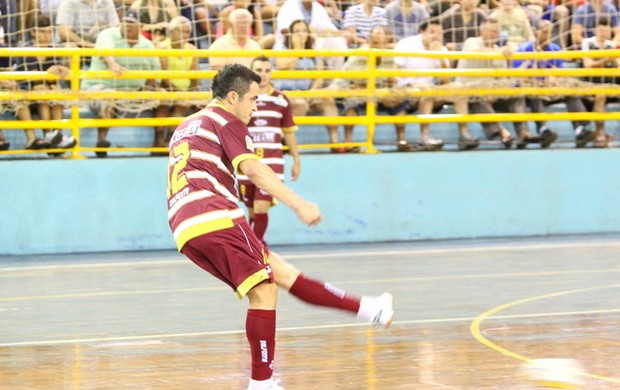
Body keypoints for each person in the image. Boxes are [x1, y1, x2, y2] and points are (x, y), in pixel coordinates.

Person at [166, 63, 394, 390]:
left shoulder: (188, 123)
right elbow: (255, 170)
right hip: (214, 215)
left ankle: (371, 309)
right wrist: (299, 204)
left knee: (283, 275)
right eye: (253, 100)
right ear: (233, 97)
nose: (255, 108)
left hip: (186, 225)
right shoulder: (226, 120)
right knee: (264, 291)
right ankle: (262, 382)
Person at [236, 56, 301, 246]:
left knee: (261, 206)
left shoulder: (280, 99)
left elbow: (289, 132)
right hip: (247, 162)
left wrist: (296, 159)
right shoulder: (242, 98)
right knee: (252, 210)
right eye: (258, 70)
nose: (263, 75)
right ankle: (258, 247)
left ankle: (254, 251)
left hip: (272, 163)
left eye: (266, 70)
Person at [80, 8, 161, 157]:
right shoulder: (108, 34)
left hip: (131, 92)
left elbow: (155, 74)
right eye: (125, 22)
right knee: (109, 96)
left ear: (141, 27)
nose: (127, 26)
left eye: (132, 23)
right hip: (97, 88)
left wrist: (147, 90)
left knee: (166, 99)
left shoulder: (147, 45)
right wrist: (112, 64)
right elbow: (105, 51)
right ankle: (102, 141)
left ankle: (160, 146)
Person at [329, 26, 418, 152]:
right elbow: (355, 83)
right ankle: (348, 142)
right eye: (375, 43)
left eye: (382, 43)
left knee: (399, 105)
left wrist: (390, 92)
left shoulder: (389, 56)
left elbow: (390, 80)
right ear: (369, 42)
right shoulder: (360, 55)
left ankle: (402, 141)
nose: (379, 46)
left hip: (377, 91)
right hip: (354, 90)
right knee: (351, 105)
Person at [394, 19, 478, 150]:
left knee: (458, 88)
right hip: (407, 89)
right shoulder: (405, 44)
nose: (436, 36)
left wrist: (440, 57)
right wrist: (409, 86)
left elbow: (447, 81)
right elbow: (395, 73)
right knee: (427, 91)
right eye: (432, 32)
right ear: (422, 32)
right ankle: (424, 136)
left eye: (439, 33)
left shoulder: (441, 49)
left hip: (429, 91)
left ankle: (464, 133)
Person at [513, 19, 595, 148]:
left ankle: (580, 129)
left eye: (550, 33)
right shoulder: (524, 49)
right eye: (545, 32)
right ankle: (543, 130)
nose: (548, 36)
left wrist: (554, 78)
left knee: (569, 92)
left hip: (550, 90)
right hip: (531, 92)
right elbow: (518, 75)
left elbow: (560, 73)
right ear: (535, 32)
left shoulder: (554, 49)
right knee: (535, 92)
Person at [273, 19, 343, 152]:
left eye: (304, 31)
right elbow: (284, 65)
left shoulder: (313, 52)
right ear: (290, 34)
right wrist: (298, 48)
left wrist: (312, 91)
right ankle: (281, 140)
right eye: (297, 31)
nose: (301, 34)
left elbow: (319, 76)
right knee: (300, 104)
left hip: (307, 92)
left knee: (328, 100)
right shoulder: (281, 49)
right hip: (286, 92)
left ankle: (335, 143)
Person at [13, 15, 76, 153]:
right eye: (42, 32)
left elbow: (54, 80)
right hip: (26, 93)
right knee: (42, 90)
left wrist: (61, 71)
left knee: (54, 92)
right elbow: (25, 80)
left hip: (45, 93)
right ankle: (50, 136)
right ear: (33, 32)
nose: (46, 36)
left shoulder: (54, 50)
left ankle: (55, 135)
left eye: (49, 32)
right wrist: (46, 75)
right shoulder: (24, 50)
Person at [153, 15, 199, 152]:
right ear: (171, 32)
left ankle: (170, 139)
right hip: (165, 87)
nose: (185, 35)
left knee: (185, 103)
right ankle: (159, 138)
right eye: (181, 31)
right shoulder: (162, 48)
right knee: (163, 102)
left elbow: (195, 77)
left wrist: (193, 93)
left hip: (184, 90)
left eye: (187, 32)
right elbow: (164, 78)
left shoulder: (192, 49)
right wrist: (178, 92)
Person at [581, 17, 617, 147]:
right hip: (590, 84)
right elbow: (588, 64)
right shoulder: (587, 43)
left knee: (603, 92)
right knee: (600, 95)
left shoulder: (611, 45)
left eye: (607, 31)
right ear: (596, 30)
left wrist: (615, 61)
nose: (604, 33)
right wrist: (606, 60)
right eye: (601, 31)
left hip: (610, 83)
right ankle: (600, 133)